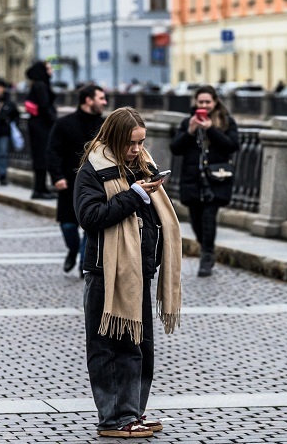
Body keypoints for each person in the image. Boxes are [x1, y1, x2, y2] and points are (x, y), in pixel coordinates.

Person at [74, 107, 182, 439]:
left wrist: (148, 188)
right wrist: (134, 196)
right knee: (110, 347)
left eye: (141, 142)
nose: (137, 149)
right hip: (106, 272)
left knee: (139, 347)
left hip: (139, 272)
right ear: (114, 138)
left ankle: (132, 411)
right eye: (131, 143)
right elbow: (90, 217)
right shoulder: (93, 170)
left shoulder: (142, 166)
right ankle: (114, 418)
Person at [169, 85, 240, 277]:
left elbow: (232, 145)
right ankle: (206, 247)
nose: (204, 105)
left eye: (208, 102)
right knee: (195, 221)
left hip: (216, 179)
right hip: (193, 179)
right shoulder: (188, 122)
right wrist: (190, 131)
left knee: (209, 218)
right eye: (200, 102)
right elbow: (175, 148)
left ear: (215, 102)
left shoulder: (226, 122)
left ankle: (206, 257)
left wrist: (211, 130)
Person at [46, 84, 107, 273]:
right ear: (88, 100)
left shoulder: (105, 126)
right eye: (101, 98)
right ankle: (73, 250)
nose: (105, 102)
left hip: (96, 185)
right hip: (69, 183)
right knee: (68, 226)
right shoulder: (64, 124)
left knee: (91, 227)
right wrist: (57, 177)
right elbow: (53, 152)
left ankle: (84, 263)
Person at [25, 60, 58, 200]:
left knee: (41, 156)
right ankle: (39, 189)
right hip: (41, 126)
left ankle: (41, 187)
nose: (51, 71)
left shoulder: (37, 84)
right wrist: (55, 122)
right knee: (42, 156)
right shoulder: (41, 86)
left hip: (38, 124)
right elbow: (45, 106)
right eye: (49, 68)